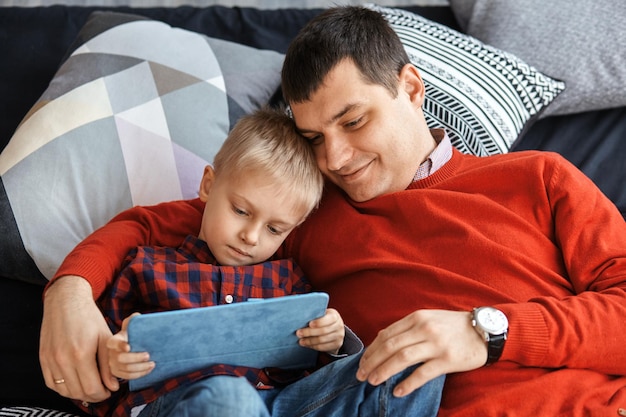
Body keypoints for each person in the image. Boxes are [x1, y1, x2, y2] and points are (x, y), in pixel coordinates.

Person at [40, 5, 626, 417]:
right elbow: (154, 223)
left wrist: (489, 333)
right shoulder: (302, 213)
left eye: (353, 121)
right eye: (315, 137)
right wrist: (68, 292)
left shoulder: (538, 177)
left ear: (412, 88)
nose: (337, 158)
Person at [49, 106, 445, 417]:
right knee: (229, 396)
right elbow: (90, 377)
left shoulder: (288, 282)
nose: (252, 237)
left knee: (413, 360)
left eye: (275, 229)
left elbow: (315, 373)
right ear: (208, 185)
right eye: (240, 211)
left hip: (284, 405)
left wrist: (336, 342)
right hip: (186, 405)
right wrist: (114, 361)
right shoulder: (145, 267)